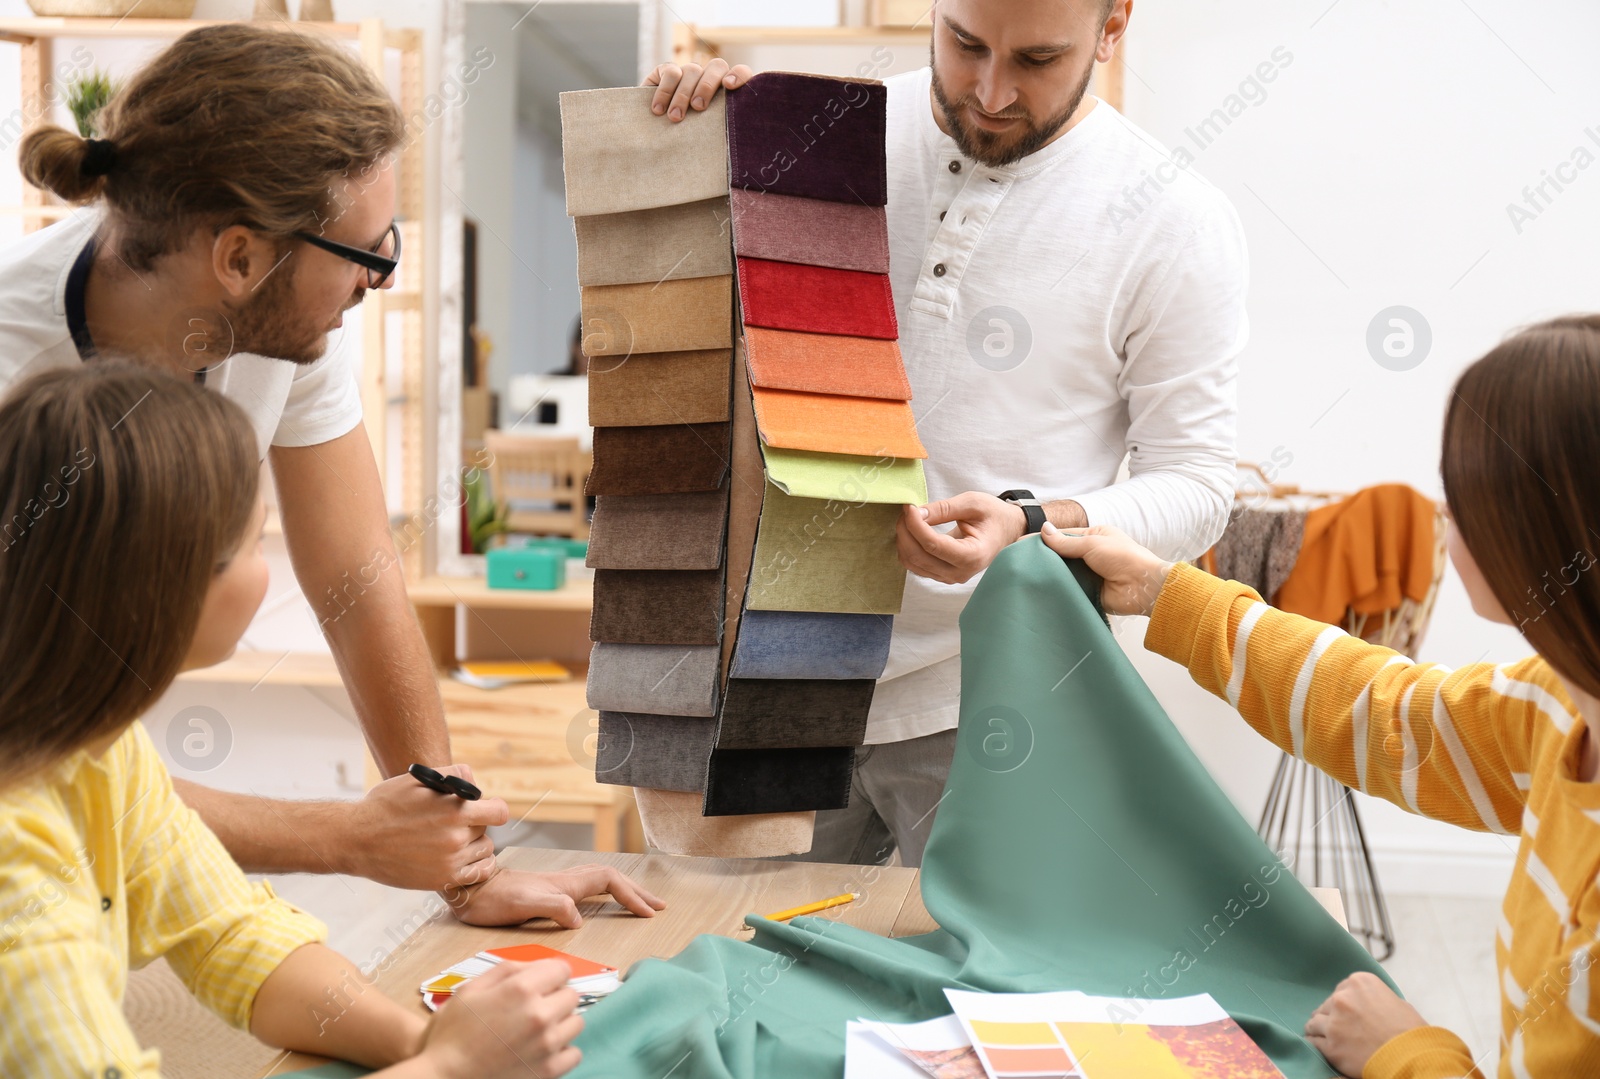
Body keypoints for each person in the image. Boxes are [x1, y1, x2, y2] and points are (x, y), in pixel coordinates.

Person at [1, 23, 660, 923]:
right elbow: (24, 780)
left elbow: (355, 575)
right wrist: (349, 837)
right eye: (367, 253)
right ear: (239, 257)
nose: (379, 279)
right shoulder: (12, 373)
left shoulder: (285, 323)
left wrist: (458, 860)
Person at [647, 0, 1246, 865]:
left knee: (975, 990)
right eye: (965, 44)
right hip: (767, 667)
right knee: (734, 971)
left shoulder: (1175, 220)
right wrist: (694, 136)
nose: (992, 92)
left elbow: (1197, 483)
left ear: (1113, 26)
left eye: (1037, 60)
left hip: (998, 687)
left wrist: (1033, 523)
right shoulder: (810, 139)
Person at [1042, 315, 1600, 1078]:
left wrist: (1404, 1047)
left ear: (1544, 523)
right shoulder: (1560, 708)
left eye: (1462, 488)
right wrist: (1159, 590)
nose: (1445, 515)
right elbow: (1383, 711)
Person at [0, 365, 596, 1078]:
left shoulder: (101, 749)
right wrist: (453, 1068)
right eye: (254, 543)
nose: (267, 566)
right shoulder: (16, 863)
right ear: (165, 586)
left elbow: (232, 936)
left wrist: (425, 1045)